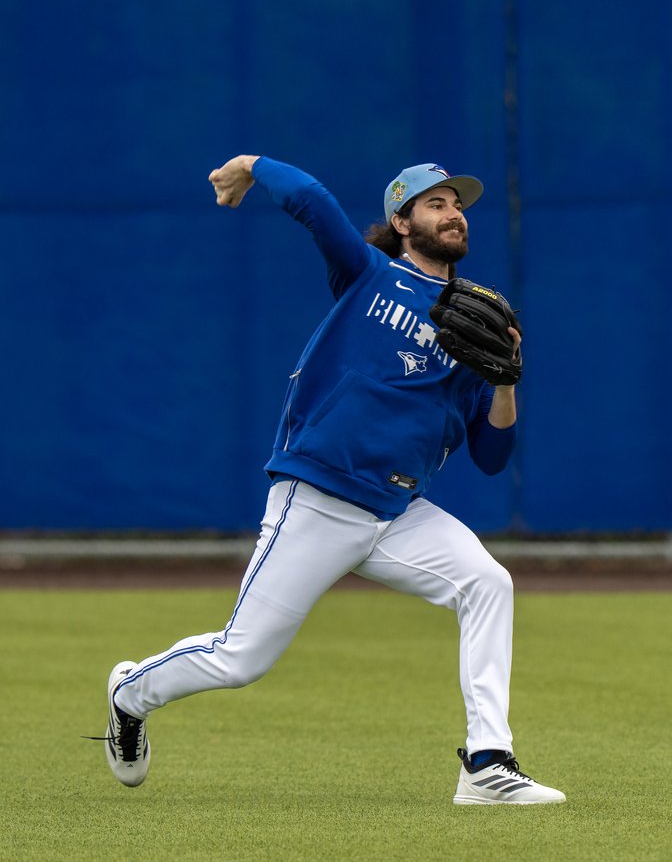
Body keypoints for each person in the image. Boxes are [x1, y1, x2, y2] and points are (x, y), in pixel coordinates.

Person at [95, 155, 566, 803]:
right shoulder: (370, 276)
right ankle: (129, 693)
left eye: (457, 204)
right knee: (240, 658)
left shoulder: (471, 325)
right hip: (318, 496)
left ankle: (486, 763)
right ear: (402, 221)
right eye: (435, 203)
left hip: (395, 511)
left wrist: (507, 379)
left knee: (487, 581)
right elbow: (313, 201)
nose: (452, 212)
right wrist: (252, 165)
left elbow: (490, 454)